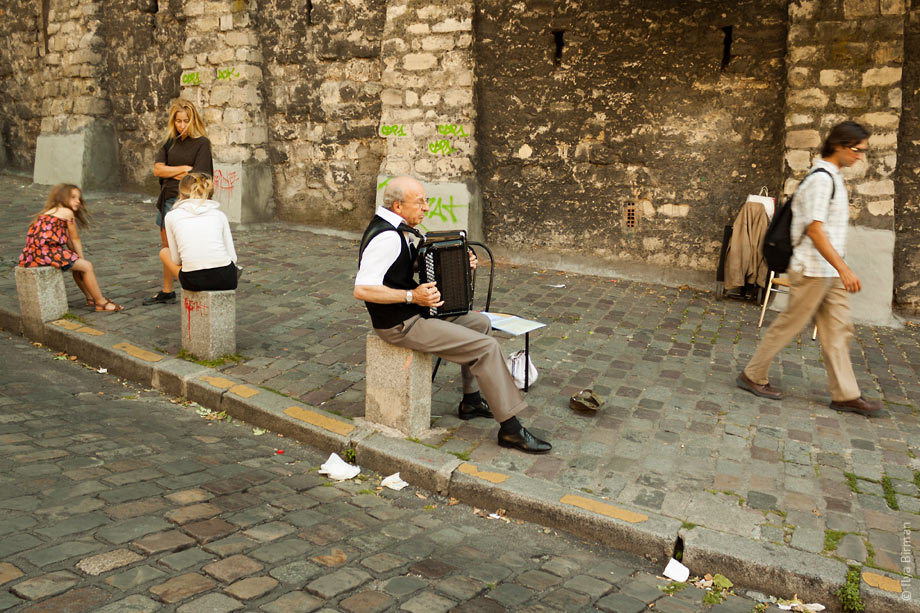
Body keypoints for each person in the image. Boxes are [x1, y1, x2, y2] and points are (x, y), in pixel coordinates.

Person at [354, 176, 552, 453]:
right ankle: (511, 428)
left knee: (480, 323)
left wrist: (461, 262)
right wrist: (413, 296)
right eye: (420, 202)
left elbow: (400, 270)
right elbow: (363, 289)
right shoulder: (386, 237)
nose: (426, 207)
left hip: (416, 313)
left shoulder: (399, 230)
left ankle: (470, 401)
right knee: (487, 347)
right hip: (400, 324)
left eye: (426, 201)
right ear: (398, 206)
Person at [737, 121, 882, 416]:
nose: (859, 156)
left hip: (830, 272)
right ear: (839, 145)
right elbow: (815, 231)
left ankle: (845, 394)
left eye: (862, 151)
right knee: (789, 325)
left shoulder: (834, 177)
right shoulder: (821, 180)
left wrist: (840, 270)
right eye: (856, 150)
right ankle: (752, 375)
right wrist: (844, 269)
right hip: (814, 270)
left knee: (839, 330)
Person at [145, 98, 213, 305]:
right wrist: (183, 169)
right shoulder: (170, 142)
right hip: (166, 199)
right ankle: (168, 290)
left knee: (187, 246)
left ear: (193, 120)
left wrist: (175, 173)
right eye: (178, 121)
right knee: (166, 246)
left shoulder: (202, 143)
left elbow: (200, 177)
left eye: (185, 121)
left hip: (187, 201)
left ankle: (195, 287)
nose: (181, 125)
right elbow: (157, 169)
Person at [19, 184, 123, 312]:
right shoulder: (67, 213)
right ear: (62, 197)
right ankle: (101, 303)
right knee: (86, 267)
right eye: (73, 197)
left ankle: (90, 297)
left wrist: (75, 258)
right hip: (46, 252)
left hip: (32, 254)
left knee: (77, 266)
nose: (77, 201)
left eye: (78, 198)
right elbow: (75, 238)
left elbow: (66, 238)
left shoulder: (47, 213)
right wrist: (81, 258)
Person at [159, 173, 238, 292]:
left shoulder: (171, 216)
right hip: (226, 278)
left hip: (193, 281)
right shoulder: (219, 215)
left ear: (180, 193)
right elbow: (233, 257)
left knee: (164, 252)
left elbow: (176, 260)